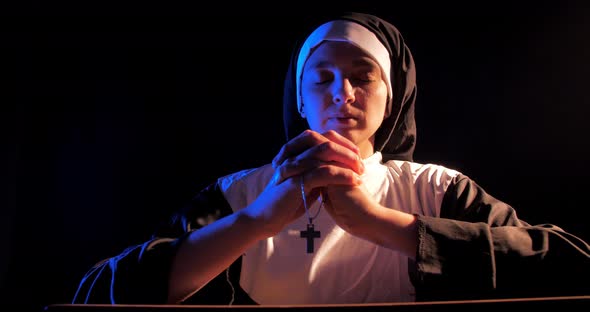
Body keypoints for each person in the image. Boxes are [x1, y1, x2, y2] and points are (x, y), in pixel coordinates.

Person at [72, 11, 590, 305]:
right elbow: (94, 294)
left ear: (394, 96)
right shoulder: (240, 195)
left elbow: (574, 265)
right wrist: (256, 222)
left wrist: (383, 224)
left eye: (363, 75)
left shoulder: (435, 190)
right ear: (299, 99)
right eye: (321, 78)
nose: (341, 93)